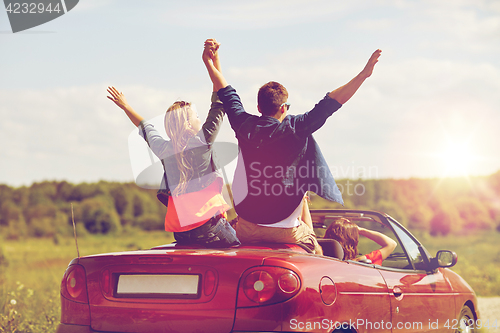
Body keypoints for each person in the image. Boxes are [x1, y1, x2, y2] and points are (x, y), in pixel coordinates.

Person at [203, 38, 381, 254]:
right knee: (321, 250)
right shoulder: (297, 127)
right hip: (286, 231)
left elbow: (225, 91)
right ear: (284, 108)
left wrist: (212, 62)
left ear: (259, 106)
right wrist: (363, 75)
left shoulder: (243, 124)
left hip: (247, 229)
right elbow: (332, 102)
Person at [106, 41, 240, 248]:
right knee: (239, 251)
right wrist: (213, 62)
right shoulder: (202, 142)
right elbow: (220, 100)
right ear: (187, 122)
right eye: (196, 115)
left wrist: (125, 106)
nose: (199, 118)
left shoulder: (164, 149)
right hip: (209, 229)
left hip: (182, 234)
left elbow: (144, 126)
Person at [324, 218, 397, 264]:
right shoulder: (360, 263)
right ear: (352, 242)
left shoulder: (318, 258)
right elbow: (391, 244)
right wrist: (360, 230)